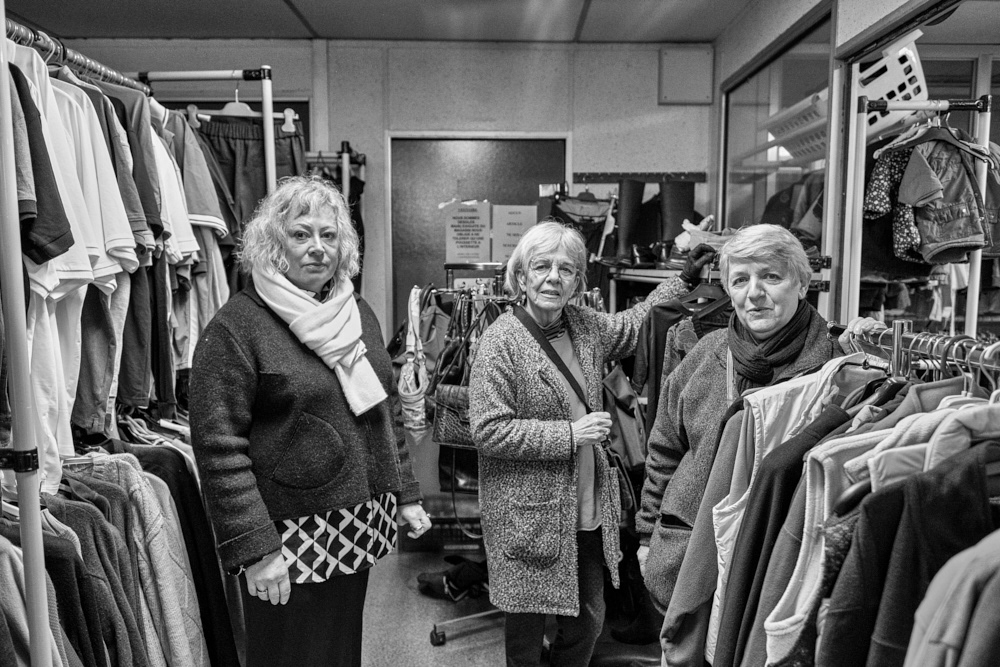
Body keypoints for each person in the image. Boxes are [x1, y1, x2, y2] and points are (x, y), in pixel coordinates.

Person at [190, 176, 431, 667]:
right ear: (273, 243)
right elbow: (219, 448)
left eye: (329, 234)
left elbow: (377, 410)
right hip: (286, 536)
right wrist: (256, 549)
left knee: (339, 652)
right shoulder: (238, 327)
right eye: (301, 234)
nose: (318, 248)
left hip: (356, 523)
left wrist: (404, 493)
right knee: (287, 654)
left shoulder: (355, 311)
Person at [468, 220, 715, 667]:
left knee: (588, 621)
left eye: (566, 269)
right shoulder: (499, 341)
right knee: (525, 632)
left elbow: (633, 324)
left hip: (585, 507)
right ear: (520, 277)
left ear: (579, 282)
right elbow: (488, 430)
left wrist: (685, 279)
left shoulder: (583, 325)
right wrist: (569, 434)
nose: (553, 278)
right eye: (541, 267)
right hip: (527, 512)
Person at [634, 223, 883, 621]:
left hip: (775, 563)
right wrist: (648, 536)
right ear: (728, 290)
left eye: (771, 276)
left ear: (802, 284)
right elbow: (664, 449)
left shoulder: (836, 367)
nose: (754, 293)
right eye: (741, 279)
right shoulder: (703, 355)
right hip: (689, 557)